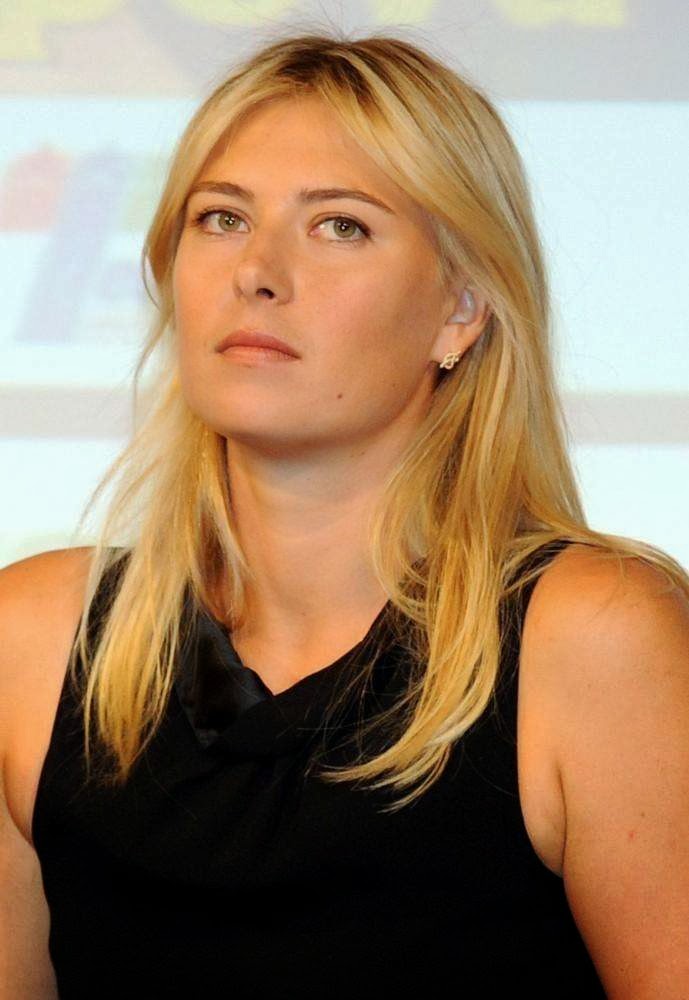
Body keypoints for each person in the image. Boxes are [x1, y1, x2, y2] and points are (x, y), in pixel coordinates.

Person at [1, 27, 688, 999]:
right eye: (221, 217)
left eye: (340, 226)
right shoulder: (31, 642)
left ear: (460, 308)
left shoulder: (593, 636)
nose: (257, 270)